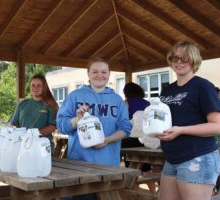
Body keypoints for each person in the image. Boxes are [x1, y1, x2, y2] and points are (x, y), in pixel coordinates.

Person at [157, 40, 220, 200]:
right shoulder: (168, 89)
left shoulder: (203, 87)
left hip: (198, 157)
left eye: (184, 58)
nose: (179, 62)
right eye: (175, 58)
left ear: (194, 60)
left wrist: (181, 130)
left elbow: (219, 127)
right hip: (172, 158)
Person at [57, 58, 131, 200]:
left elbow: (125, 129)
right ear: (88, 74)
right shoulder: (75, 96)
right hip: (80, 166)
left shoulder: (117, 100)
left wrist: (107, 140)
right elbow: (61, 126)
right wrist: (77, 119)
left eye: (104, 72)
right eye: (95, 71)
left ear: (109, 74)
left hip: (108, 167)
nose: (99, 75)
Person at [10, 74, 59, 152]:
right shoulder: (22, 104)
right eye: (33, 85)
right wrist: (19, 134)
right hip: (23, 146)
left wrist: (33, 135)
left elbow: (52, 126)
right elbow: (13, 123)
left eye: (39, 85)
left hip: (43, 148)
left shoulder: (51, 105)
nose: (35, 88)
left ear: (44, 87)